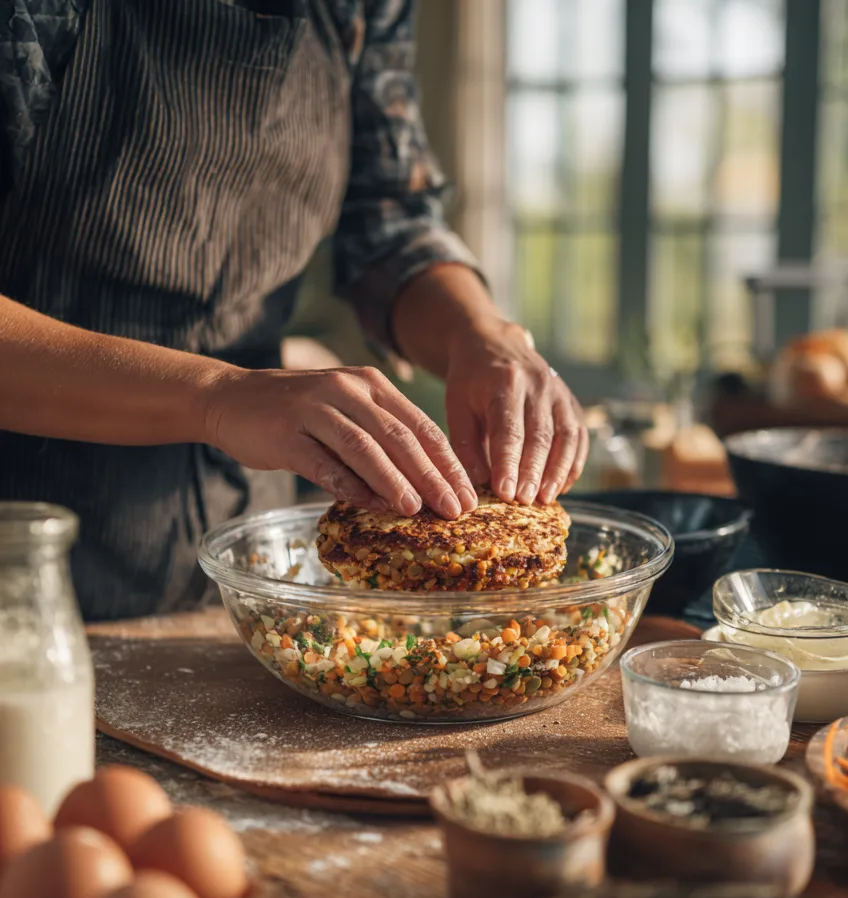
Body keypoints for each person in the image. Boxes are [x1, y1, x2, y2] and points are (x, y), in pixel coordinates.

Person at [0, 0, 587, 621]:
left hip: (252, 562)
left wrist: (478, 331)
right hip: (23, 554)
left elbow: (390, 220)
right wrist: (217, 396)